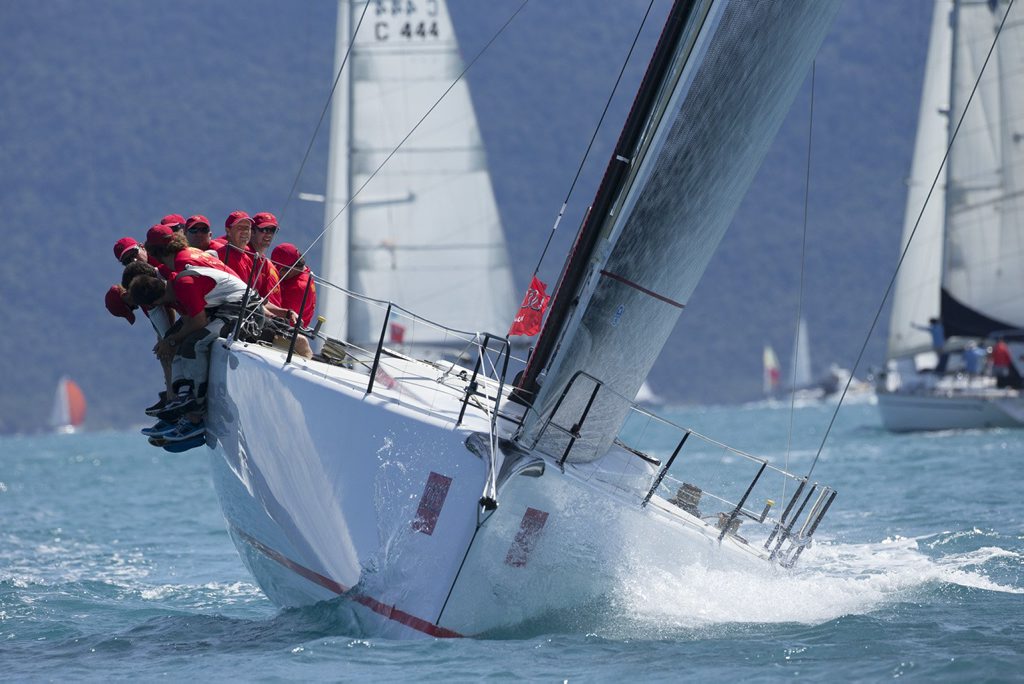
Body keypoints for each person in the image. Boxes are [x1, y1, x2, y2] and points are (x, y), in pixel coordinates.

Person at [271, 243, 317, 328]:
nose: (277, 273)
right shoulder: (302, 271)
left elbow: (280, 315)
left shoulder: (298, 288)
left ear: (292, 268)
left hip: (285, 332)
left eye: (279, 270)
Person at [249, 212, 283, 306]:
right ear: (252, 231)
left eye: (273, 230)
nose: (269, 234)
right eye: (264, 229)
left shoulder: (265, 264)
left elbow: (264, 299)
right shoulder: (243, 254)